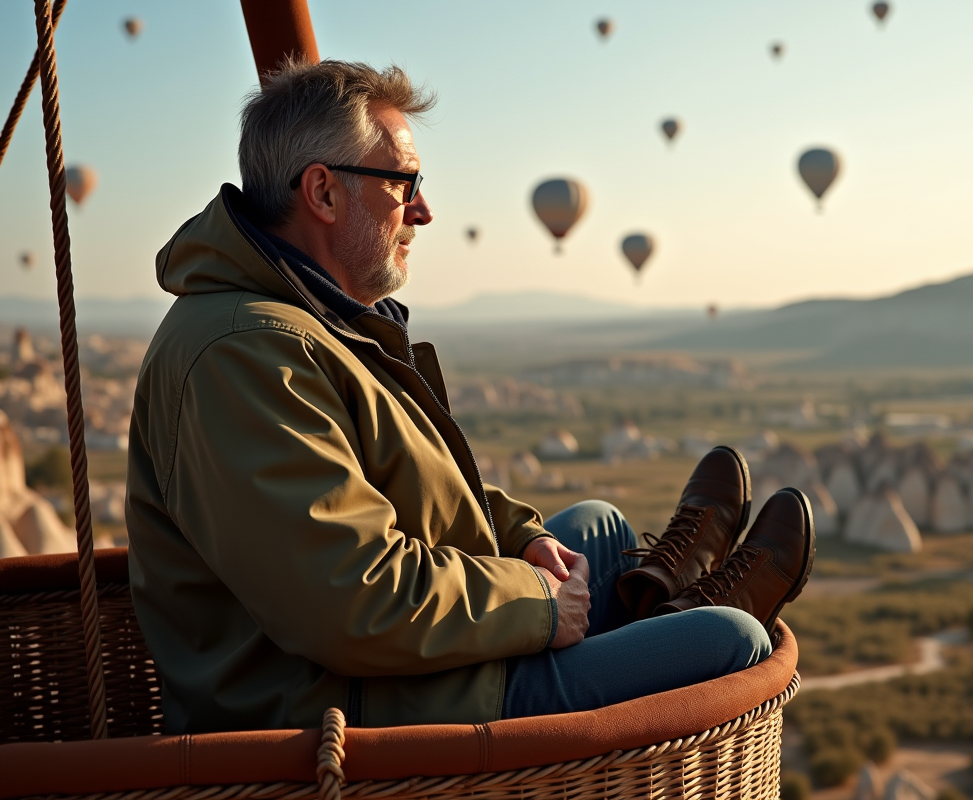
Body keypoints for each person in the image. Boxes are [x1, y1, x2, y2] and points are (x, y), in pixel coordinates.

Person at [126, 59, 815, 734]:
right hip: (364, 706)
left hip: (405, 666)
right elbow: (349, 598)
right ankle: (687, 613)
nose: (422, 210)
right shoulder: (243, 355)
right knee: (730, 642)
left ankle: (665, 608)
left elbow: (413, 497)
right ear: (324, 193)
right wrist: (536, 604)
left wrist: (523, 539)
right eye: (403, 183)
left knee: (598, 526)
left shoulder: (315, 322)